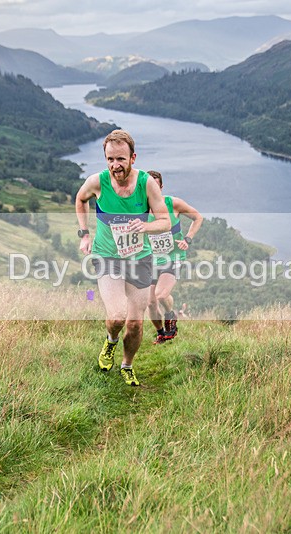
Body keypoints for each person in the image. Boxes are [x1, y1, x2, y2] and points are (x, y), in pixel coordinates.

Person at [75, 130, 170, 386]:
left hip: (139, 258)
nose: (115, 165)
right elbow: (80, 199)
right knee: (117, 316)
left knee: (135, 324)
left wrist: (145, 227)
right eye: (110, 159)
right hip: (107, 256)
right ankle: (110, 342)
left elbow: (165, 220)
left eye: (120, 159)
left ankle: (127, 365)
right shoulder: (98, 182)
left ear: (133, 158)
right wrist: (84, 234)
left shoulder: (146, 184)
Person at [145, 170, 203, 344]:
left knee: (161, 295)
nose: (153, 190)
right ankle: (161, 333)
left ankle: (171, 317)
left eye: (156, 186)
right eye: (149, 187)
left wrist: (188, 238)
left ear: (161, 187)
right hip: (151, 260)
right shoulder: (139, 210)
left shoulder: (173, 204)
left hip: (173, 257)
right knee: (150, 303)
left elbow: (197, 217)